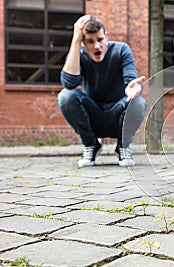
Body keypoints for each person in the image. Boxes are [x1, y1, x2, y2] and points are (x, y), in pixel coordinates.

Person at [58, 15, 147, 168]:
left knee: (139, 102)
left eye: (99, 40)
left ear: (106, 36)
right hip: (93, 116)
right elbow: (69, 83)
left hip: (117, 114)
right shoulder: (78, 54)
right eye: (90, 42)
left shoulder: (121, 50)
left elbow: (132, 81)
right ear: (83, 43)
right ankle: (91, 145)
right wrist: (75, 41)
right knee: (65, 96)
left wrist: (135, 88)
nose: (96, 47)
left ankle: (123, 147)